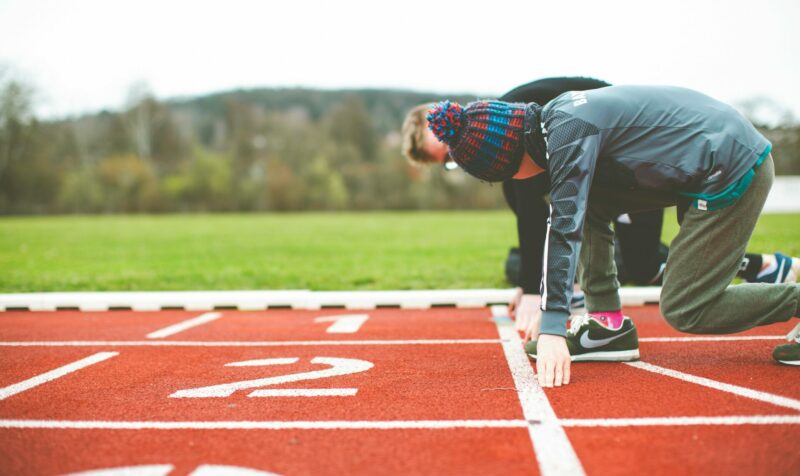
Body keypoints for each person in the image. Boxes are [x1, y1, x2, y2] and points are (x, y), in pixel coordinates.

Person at [425, 85, 800, 387]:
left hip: (732, 166)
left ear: (508, 161)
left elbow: (564, 227)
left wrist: (554, 325)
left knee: (688, 306)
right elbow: (570, 210)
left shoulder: (569, 134)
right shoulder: (557, 119)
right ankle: (607, 326)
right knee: (581, 202)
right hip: (705, 159)